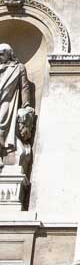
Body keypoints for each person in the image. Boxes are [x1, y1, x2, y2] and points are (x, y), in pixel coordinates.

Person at [0, 43, 35, 171]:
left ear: (9, 54)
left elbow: (24, 87)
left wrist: (26, 105)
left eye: (2, 54)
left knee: (1, 125)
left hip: (7, 101)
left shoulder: (19, 68)